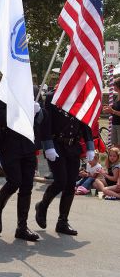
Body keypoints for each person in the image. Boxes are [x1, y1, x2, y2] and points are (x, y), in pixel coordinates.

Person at [35, 89, 95, 235]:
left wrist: (89, 145)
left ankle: (63, 221)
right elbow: (46, 123)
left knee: (70, 183)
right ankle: (42, 206)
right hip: (56, 144)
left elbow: (85, 121)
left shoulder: (80, 97)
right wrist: (48, 146)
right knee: (61, 180)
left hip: (72, 145)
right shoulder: (52, 97)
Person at [0, 96, 43, 241]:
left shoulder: (32, 91)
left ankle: (22, 227)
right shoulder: (2, 93)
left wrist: (38, 112)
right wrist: (22, 111)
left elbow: (42, 118)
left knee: (27, 185)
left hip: (28, 143)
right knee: (14, 181)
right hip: (9, 144)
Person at [103, 77, 120, 147]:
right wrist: (108, 109)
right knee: (115, 147)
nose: (112, 86)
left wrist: (112, 111)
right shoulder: (117, 96)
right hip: (115, 124)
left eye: (114, 85)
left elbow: (115, 111)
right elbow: (114, 109)